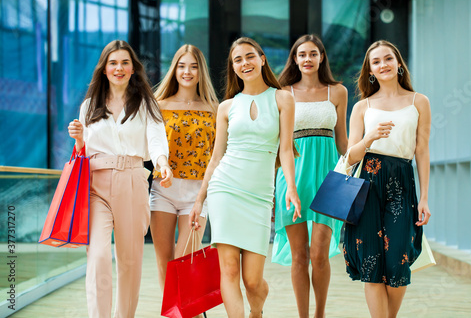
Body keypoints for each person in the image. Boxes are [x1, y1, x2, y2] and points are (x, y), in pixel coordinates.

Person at [189, 37, 301, 318]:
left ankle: (257, 311)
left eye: (249, 56)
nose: (244, 63)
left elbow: (286, 149)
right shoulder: (227, 107)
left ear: (262, 59)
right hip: (224, 189)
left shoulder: (282, 99)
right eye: (237, 60)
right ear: (233, 68)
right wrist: (200, 200)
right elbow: (216, 157)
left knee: (252, 280)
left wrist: (291, 188)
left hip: (259, 195)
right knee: (228, 270)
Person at [67, 40, 172, 318]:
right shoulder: (89, 106)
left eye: (125, 62)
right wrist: (78, 140)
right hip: (96, 185)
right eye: (113, 62)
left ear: (133, 68)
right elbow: (83, 152)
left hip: (132, 182)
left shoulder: (147, 103)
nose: (119, 68)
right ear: (103, 69)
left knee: (129, 261)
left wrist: (163, 163)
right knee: (99, 256)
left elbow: (156, 139)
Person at [343, 40, 431, 318]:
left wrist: (425, 197)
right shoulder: (362, 107)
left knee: (398, 262)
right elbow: (350, 156)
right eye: (376, 61)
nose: (383, 65)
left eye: (388, 59)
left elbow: (422, 150)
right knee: (371, 264)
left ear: (399, 63)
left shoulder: (419, 101)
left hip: (402, 183)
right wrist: (369, 138)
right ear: (370, 70)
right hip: (366, 183)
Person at [272, 34, 348, 318]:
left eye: (313, 54)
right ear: (294, 59)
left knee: (319, 254)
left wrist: (358, 173)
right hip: (292, 180)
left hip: (329, 178)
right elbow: (278, 145)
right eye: (301, 54)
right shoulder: (282, 92)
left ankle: (319, 313)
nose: (307, 59)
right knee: (299, 256)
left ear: (321, 58)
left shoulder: (337, 92)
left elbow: (343, 142)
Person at [149, 45, 218, 308]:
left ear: (201, 71)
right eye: (181, 65)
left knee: (184, 259)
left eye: (193, 66)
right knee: (164, 261)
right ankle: (175, 313)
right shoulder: (158, 105)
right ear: (174, 69)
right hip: (162, 191)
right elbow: (150, 146)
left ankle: (185, 310)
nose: (187, 71)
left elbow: (218, 154)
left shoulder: (214, 108)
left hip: (197, 194)